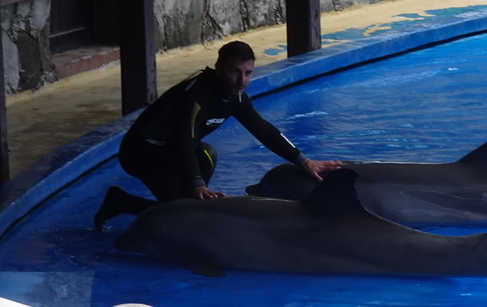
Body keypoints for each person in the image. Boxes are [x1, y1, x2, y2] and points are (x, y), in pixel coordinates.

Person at [94, 41, 341, 230]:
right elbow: (184, 141)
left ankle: (186, 201)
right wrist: (197, 184)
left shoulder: (236, 96)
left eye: (248, 73)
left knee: (206, 155)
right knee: (183, 216)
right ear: (219, 68)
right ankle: (122, 202)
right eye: (235, 72)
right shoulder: (198, 96)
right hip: (143, 152)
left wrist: (304, 161)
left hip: (172, 150)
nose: (242, 80)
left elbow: (264, 130)